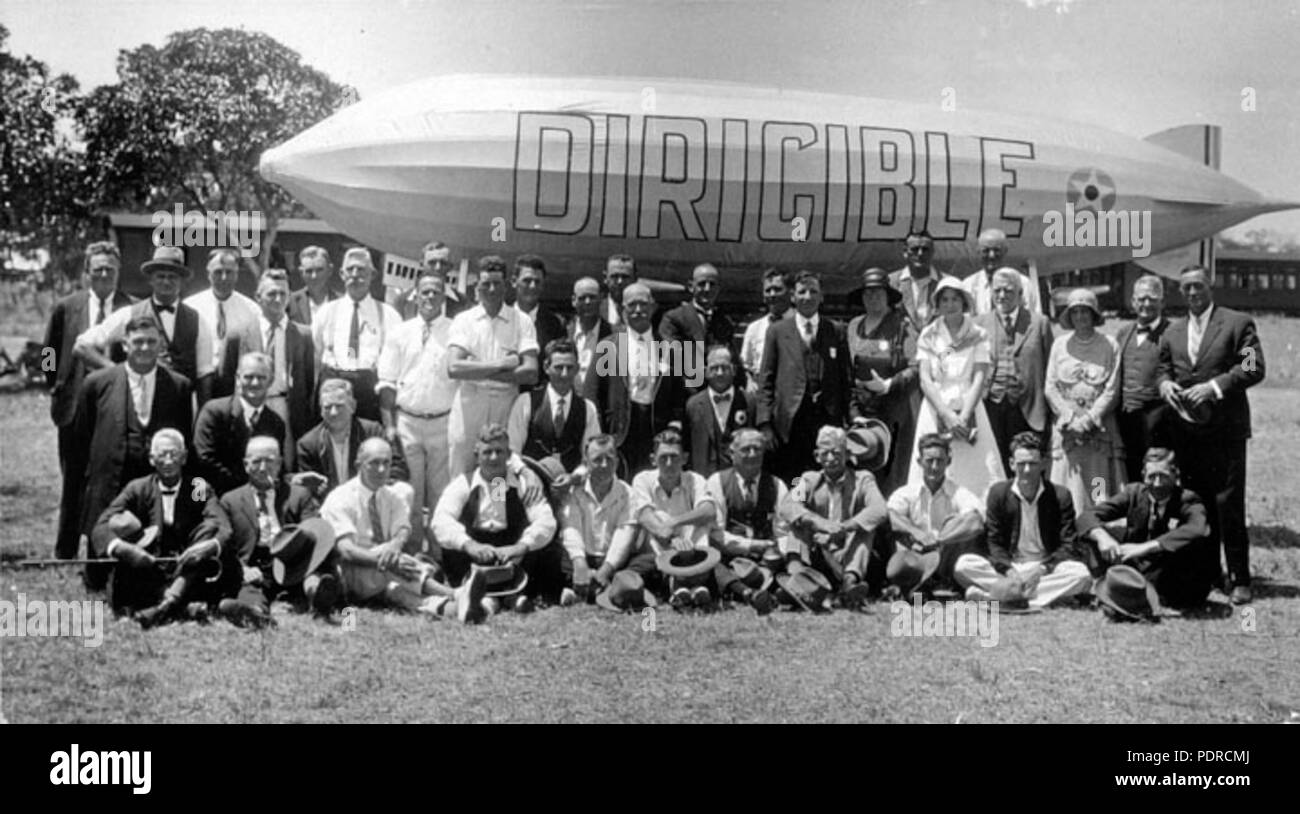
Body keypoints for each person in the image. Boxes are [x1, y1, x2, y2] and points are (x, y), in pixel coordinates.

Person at [1157, 265, 1265, 604]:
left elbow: (1252, 367)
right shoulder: (1173, 331)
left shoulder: (1238, 323)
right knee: (1197, 503)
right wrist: (1164, 385)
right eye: (1186, 288)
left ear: (1210, 286)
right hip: (1186, 433)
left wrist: (1214, 387)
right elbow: (1163, 367)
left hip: (1225, 431)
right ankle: (1208, 572)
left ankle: (1239, 578)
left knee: (1228, 504)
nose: (1192, 293)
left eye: (1198, 287)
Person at [69, 314, 194, 590]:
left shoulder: (179, 386)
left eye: (152, 342)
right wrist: (51, 376)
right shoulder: (66, 311)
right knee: (99, 577)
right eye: (138, 342)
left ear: (161, 345)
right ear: (124, 345)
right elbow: (50, 346)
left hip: (150, 479)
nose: (145, 348)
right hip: (107, 473)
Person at [322, 438, 483, 621]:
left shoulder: (390, 495)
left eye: (386, 463)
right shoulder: (340, 498)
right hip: (352, 573)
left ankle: (454, 608)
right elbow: (347, 551)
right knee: (392, 562)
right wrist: (385, 559)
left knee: (397, 592)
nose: (381, 470)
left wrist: (395, 546)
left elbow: (403, 529)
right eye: (374, 463)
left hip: (385, 576)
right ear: (358, 465)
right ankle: (455, 594)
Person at [90, 429, 236, 625]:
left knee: (209, 528)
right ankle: (178, 604)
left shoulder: (196, 488)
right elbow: (101, 526)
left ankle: (168, 602)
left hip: (188, 565)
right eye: (161, 455)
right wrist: (124, 549)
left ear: (184, 457)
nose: (168, 461)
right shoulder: (138, 488)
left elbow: (221, 526)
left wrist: (209, 546)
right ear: (151, 459)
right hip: (149, 566)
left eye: (174, 454)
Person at [45, 241, 134, 559]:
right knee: (73, 480)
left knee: (109, 480)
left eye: (110, 269)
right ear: (87, 272)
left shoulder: (131, 308)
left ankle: (105, 548)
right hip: (72, 407)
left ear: (119, 272)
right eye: (98, 269)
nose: (105, 275)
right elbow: (49, 351)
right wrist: (54, 382)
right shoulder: (67, 307)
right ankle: (65, 550)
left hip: (113, 408)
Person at [954, 431, 1093, 610]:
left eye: (1032, 464)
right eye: (1021, 464)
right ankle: (1034, 597)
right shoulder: (998, 493)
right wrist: (1009, 571)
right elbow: (993, 543)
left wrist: (1042, 569)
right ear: (1012, 464)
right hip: (1010, 566)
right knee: (963, 565)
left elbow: (1068, 545)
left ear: (1043, 463)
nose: (1027, 470)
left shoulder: (1060, 495)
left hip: (1045, 567)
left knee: (1081, 575)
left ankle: (997, 598)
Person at [431, 424, 561, 613]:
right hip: (473, 557)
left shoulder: (522, 485)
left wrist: (520, 546)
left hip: (511, 556)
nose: (493, 458)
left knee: (544, 547)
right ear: (477, 455)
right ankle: (502, 599)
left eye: (499, 452)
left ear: (509, 455)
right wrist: (469, 545)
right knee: (451, 544)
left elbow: (546, 521)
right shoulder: (463, 484)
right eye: (487, 452)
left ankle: (501, 599)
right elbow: (440, 520)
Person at [74, 245, 216, 403]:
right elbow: (81, 346)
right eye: (160, 276)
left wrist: (203, 418)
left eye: (172, 277)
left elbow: (204, 374)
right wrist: (115, 371)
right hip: (136, 402)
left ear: (182, 282)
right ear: (151, 279)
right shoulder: (130, 314)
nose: (166, 282)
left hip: (180, 407)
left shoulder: (197, 320)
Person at [1078, 448, 1215, 610]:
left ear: (1175, 475)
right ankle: (1106, 584)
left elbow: (1198, 529)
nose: (1157, 483)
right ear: (1143, 475)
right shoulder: (1133, 493)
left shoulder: (1188, 499)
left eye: (1163, 476)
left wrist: (1145, 547)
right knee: (1094, 533)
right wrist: (1103, 538)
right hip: (1137, 567)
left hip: (1170, 573)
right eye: (1151, 477)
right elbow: (1087, 516)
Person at [377, 273, 456, 549]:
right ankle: (411, 555)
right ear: (416, 296)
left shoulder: (455, 331)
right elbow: (386, 382)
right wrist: (389, 425)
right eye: (425, 292)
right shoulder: (400, 332)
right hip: (407, 422)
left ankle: (438, 556)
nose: (430, 297)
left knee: (440, 498)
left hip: (442, 424)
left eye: (436, 292)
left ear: (444, 297)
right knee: (410, 496)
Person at [215, 436, 328, 626]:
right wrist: (243, 569)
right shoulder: (230, 500)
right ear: (245, 465)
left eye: (269, 461)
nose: (262, 468)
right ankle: (255, 613)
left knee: (312, 576)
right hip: (256, 564)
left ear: (280, 463)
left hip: (291, 561)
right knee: (250, 588)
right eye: (256, 461)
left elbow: (314, 529)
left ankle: (318, 595)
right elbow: (226, 543)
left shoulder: (298, 495)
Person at [446, 255, 540, 477]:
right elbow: (454, 368)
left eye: (496, 283)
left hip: (505, 403)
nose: (490, 289)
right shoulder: (464, 320)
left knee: (499, 470)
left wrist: (477, 370)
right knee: (461, 469)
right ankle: (463, 511)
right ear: (477, 285)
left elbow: (530, 372)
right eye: (485, 283)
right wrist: (502, 364)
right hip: (470, 403)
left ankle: (496, 511)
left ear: (506, 285)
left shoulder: (522, 321)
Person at [909, 278, 1002, 499]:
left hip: (970, 404)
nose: (950, 304)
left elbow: (980, 375)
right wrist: (946, 414)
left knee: (977, 469)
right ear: (938, 304)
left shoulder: (978, 333)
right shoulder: (928, 334)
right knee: (933, 461)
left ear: (964, 302)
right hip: (935, 408)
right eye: (945, 300)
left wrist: (964, 416)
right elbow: (925, 378)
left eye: (955, 299)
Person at [756, 271, 852, 483]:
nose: (807, 297)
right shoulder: (777, 331)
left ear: (822, 296)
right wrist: (765, 423)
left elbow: (846, 381)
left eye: (813, 291)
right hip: (790, 422)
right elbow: (766, 380)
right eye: (802, 292)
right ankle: (794, 514)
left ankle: (819, 515)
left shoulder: (835, 330)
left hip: (826, 418)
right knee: (793, 478)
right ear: (792, 296)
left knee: (823, 476)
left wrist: (851, 419)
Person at [778, 426, 888, 608]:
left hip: (848, 550)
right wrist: (820, 524)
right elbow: (788, 505)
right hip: (819, 550)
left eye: (836, 453)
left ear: (847, 454)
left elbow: (879, 509)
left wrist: (844, 528)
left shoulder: (864, 479)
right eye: (825, 454)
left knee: (866, 528)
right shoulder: (807, 479)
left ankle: (850, 583)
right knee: (798, 523)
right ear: (816, 456)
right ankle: (796, 580)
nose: (830, 459)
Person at [583, 282, 685, 476]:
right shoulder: (608, 346)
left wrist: (674, 426)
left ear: (653, 307)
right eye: (631, 305)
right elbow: (592, 393)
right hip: (620, 429)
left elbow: (680, 394)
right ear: (623, 310)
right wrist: (600, 434)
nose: (638, 310)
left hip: (656, 428)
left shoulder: (672, 348)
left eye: (643, 304)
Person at [612, 428, 720, 608]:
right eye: (663, 458)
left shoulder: (695, 479)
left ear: (685, 458)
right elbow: (647, 518)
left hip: (692, 550)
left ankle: (683, 586)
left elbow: (709, 511)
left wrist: (676, 522)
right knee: (658, 518)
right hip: (656, 554)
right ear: (653, 459)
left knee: (700, 524)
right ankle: (685, 585)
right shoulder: (642, 480)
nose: (669, 463)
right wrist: (673, 538)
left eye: (674, 457)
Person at [1045, 288, 1124, 516]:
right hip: (1067, 433)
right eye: (1075, 312)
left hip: (1098, 434)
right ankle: (1067, 531)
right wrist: (1069, 418)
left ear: (1094, 314)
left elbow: (1111, 389)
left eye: (1085, 311)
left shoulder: (1109, 345)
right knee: (1066, 484)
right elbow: (1050, 387)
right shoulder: (1059, 345)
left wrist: (1089, 419)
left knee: (1098, 485)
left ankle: (1098, 524)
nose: (1080, 317)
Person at [218, 269, 316, 447]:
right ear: (258, 297)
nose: (278, 299)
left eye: (283, 294)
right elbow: (226, 379)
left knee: (285, 462)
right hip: (250, 406)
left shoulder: (303, 335)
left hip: (286, 406)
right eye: (272, 294)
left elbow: (308, 381)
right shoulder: (238, 335)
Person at [846, 266, 920, 496]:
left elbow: (917, 367)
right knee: (858, 465)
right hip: (860, 409)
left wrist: (889, 384)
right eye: (868, 293)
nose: (873, 297)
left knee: (892, 471)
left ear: (888, 296)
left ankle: (889, 526)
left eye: (878, 292)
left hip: (893, 410)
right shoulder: (853, 326)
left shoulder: (902, 327)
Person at [885, 433, 984, 597]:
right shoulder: (907, 492)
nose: (935, 467)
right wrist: (917, 533)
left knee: (961, 522)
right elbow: (892, 517)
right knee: (897, 532)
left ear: (948, 462)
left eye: (940, 461)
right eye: (929, 461)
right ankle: (919, 584)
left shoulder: (958, 492)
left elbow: (975, 522)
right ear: (919, 462)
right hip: (916, 555)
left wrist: (939, 540)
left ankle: (938, 583)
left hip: (946, 555)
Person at [975, 268, 1053, 474]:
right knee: (993, 465)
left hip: (1027, 407)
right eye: (997, 290)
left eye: (1008, 291)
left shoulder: (1039, 323)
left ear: (1020, 294)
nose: (1001, 296)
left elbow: (1050, 368)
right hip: (990, 404)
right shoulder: (978, 324)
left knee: (1026, 464)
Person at [311, 246, 402, 422]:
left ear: (373, 275)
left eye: (361, 270)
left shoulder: (389, 315)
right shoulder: (327, 312)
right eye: (350, 269)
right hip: (334, 387)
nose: (354, 274)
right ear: (341, 274)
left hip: (369, 391)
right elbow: (317, 351)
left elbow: (394, 363)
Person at [701, 428, 786, 614]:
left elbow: (783, 531)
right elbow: (716, 534)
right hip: (730, 556)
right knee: (711, 562)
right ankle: (748, 593)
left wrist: (775, 552)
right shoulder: (717, 482)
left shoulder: (777, 485)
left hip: (766, 559)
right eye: (746, 449)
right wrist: (752, 545)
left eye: (757, 449)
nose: (752, 454)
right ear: (732, 453)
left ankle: (766, 587)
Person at [194, 352, 289, 497]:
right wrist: (244, 489)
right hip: (214, 494)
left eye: (261, 377)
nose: (255, 383)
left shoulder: (275, 423)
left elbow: (276, 466)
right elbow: (204, 459)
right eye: (249, 377)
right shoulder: (214, 412)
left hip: (258, 498)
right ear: (238, 379)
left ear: (271, 381)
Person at [295, 378, 409, 496]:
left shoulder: (373, 433)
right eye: (327, 407)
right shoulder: (308, 444)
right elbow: (307, 493)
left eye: (339, 406)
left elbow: (398, 470)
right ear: (320, 411)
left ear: (353, 406)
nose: (333, 412)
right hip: (330, 509)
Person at [557, 435, 636, 605]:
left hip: (611, 560)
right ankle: (592, 586)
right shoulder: (574, 492)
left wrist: (605, 570)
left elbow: (624, 536)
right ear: (586, 464)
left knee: (641, 562)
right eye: (597, 460)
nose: (604, 465)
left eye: (609, 459)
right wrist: (579, 563)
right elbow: (571, 529)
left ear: (616, 460)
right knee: (557, 555)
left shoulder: (627, 493)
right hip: (581, 557)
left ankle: (585, 587)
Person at [506, 338, 602, 472]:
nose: (564, 374)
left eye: (570, 368)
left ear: (577, 369)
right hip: (530, 484)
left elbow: (592, 456)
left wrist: (575, 477)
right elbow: (511, 450)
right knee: (497, 484)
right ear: (546, 367)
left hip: (571, 485)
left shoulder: (587, 408)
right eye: (558, 367)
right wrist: (526, 474)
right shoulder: (526, 402)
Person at [1115, 275, 1172, 483]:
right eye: (1141, 299)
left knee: (1156, 472)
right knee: (1129, 472)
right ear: (1133, 302)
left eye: (1152, 298)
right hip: (1124, 417)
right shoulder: (1123, 333)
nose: (1146, 304)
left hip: (1157, 419)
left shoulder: (1172, 333)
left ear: (1162, 302)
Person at [658, 263, 735, 394]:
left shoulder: (724, 322)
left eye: (712, 284)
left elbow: (731, 357)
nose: (707, 289)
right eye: (702, 284)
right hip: (683, 393)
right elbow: (673, 357)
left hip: (717, 394)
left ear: (718, 289)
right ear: (691, 287)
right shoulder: (673, 318)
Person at [184, 248, 259, 375]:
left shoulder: (252, 310)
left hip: (237, 380)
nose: (224, 278)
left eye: (229, 272)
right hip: (199, 379)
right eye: (218, 272)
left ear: (237, 275)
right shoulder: (190, 307)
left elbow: (256, 351)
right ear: (209, 274)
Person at [682, 345, 753, 478]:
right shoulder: (693, 405)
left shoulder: (750, 403)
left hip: (740, 481)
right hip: (704, 481)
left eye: (724, 367)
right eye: (714, 368)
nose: (720, 373)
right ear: (706, 372)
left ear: (734, 370)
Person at [960, 229, 1042, 316]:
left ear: (1005, 251)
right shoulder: (968, 286)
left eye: (996, 250)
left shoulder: (1023, 284)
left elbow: (1034, 319)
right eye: (986, 251)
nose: (991, 255)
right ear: (978, 252)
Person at [512, 254, 566, 382]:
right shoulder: (501, 317)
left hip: (539, 398)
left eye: (537, 282)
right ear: (514, 281)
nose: (532, 286)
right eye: (527, 280)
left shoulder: (555, 324)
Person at [740, 268, 793, 398]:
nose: (772, 294)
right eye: (768, 290)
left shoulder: (801, 324)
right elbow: (745, 365)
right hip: (762, 394)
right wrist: (750, 382)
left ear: (791, 293)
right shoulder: (754, 328)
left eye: (777, 289)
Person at [889, 230, 955, 327]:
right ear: (905, 252)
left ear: (933, 252)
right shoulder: (891, 283)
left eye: (925, 249)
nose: (920, 253)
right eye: (915, 249)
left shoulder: (947, 283)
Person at [568, 276, 613, 394]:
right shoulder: (562, 332)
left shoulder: (615, 335)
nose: (587, 302)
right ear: (574, 300)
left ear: (601, 299)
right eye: (582, 298)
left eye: (592, 297)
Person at [287, 245, 340, 326]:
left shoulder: (342, 302)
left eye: (319, 270)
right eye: (309, 271)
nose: (314, 276)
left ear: (330, 270)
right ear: (301, 273)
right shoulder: (290, 302)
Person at [601, 253, 637, 326]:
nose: (620, 281)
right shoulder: (595, 310)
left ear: (635, 279)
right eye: (614, 276)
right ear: (605, 278)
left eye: (625, 277)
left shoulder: (646, 312)